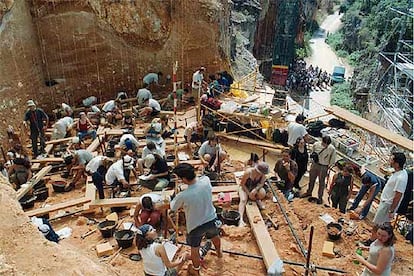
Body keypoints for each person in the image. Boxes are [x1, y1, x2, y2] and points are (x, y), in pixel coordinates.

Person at [170, 163, 222, 276]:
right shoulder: (206, 180)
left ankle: (196, 269)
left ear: (183, 178)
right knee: (214, 236)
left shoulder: (183, 195)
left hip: (195, 226)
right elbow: (199, 182)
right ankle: (219, 253)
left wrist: (175, 195)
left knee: (195, 248)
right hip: (211, 218)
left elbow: (173, 207)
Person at [362, 152, 408, 247]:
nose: (390, 161)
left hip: (388, 204)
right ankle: (381, 241)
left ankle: (372, 241)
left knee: (377, 225)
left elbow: (398, 195)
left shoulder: (401, 178)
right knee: (383, 225)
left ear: (397, 163)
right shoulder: (399, 173)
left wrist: (391, 210)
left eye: (392, 159)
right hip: (386, 203)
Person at [301, 135, 336, 204]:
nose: (325, 145)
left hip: (324, 166)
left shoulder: (332, 149)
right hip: (315, 164)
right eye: (324, 143)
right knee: (311, 179)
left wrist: (329, 165)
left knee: (321, 182)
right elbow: (312, 152)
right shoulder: (316, 144)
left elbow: (332, 159)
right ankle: (309, 192)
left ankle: (320, 197)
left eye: (327, 144)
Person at [238, 162, 269, 227]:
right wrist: (249, 193)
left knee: (262, 193)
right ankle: (240, 220)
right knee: (243, 200)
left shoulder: (263, 175)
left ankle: (257, 200)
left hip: (253, 188)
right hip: (245, 187)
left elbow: (261, 184)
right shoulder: (248, 172)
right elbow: (242, 184)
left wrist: (255, 189)